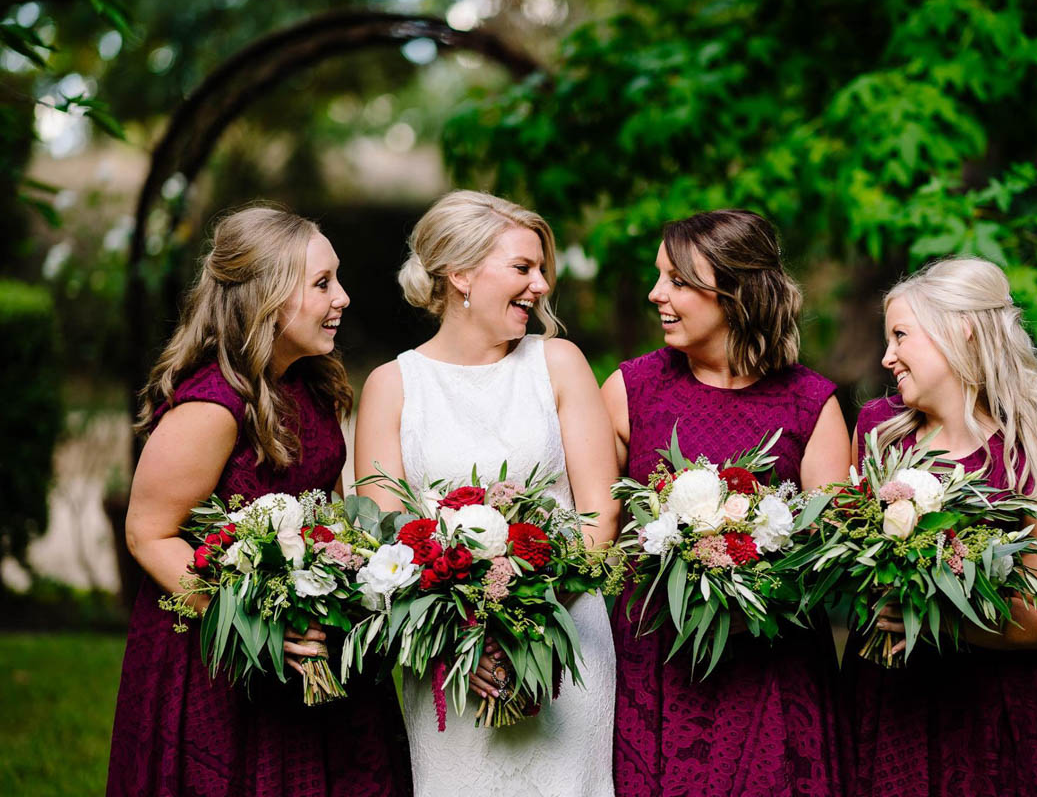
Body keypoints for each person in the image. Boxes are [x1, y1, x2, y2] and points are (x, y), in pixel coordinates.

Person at [107, 205, 411, 797]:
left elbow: (333, 521)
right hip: (219, 664)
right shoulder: (213, 408)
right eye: (322, 284)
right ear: (265, 298)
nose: (343, 297)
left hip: (317, 649)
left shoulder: (314, 387)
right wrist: (255, 623)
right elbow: (148, 532)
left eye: (338, 279)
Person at [354, 190, 620, 796]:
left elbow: (598, 517)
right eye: (523, 268)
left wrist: (525, 626)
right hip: (448, 661)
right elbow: (385, 539)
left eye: (542, 268)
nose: (543, 285)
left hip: (565, 642)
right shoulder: (393, 386)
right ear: (461, 274)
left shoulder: (559, 363)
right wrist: (467, 640)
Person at [601, 209, 851, 796]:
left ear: (736, 292)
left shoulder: (811, 404)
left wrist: (756, 589)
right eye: (660, 276)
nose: (655, 293)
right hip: (656, 665)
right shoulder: (630, 391)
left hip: (773, 672)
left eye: (678, 281)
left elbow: (833, 556)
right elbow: (595, 529)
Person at [843, 256, 1037, 796]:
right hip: (888, 705)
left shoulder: (1034, 458)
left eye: (900, 336)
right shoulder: (878, 434)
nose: (887, 357)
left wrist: (935, 618)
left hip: (993, 715)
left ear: (959, 331)